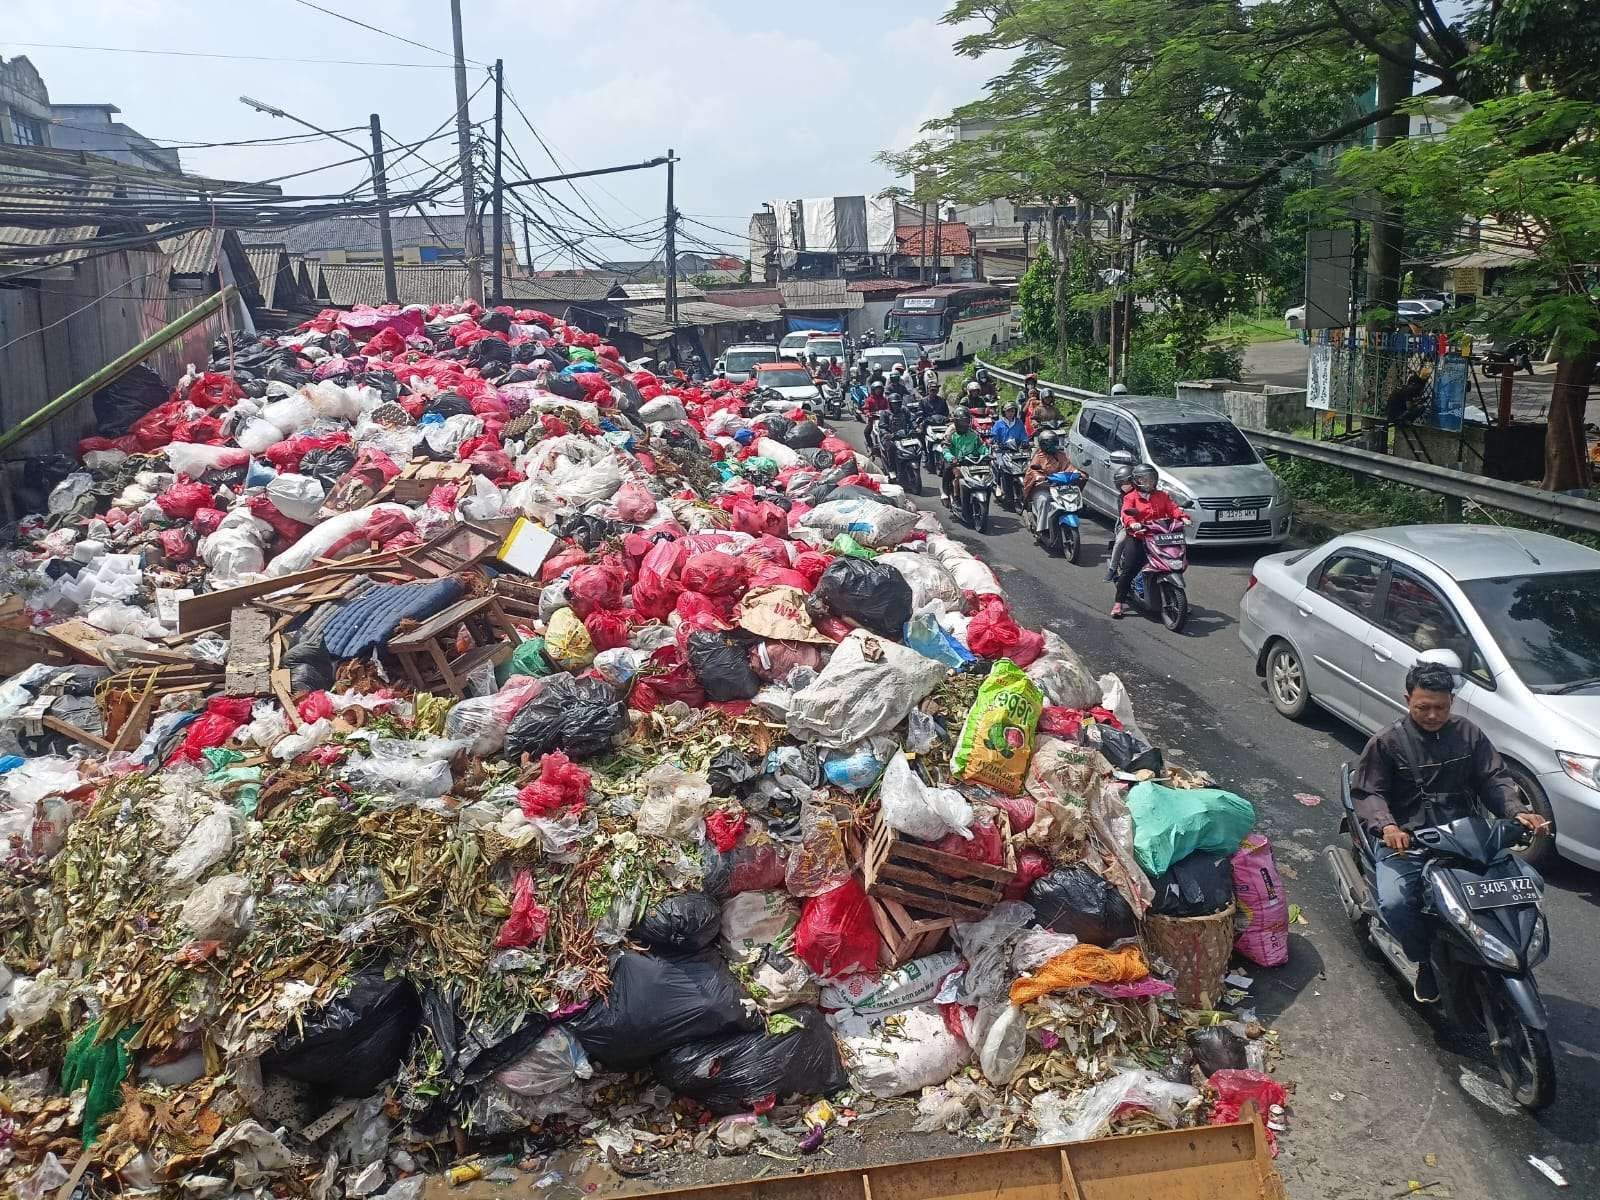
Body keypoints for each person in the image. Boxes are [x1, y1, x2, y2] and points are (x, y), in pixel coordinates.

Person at [1352, 661, 1549, 1003]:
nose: (1432, 715)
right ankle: (1424, 961)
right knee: (1396, 903)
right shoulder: (1386, 742)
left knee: (1531, 882)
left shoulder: (1468, 734)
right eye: (1423, 707)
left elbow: (1493, 778)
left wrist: (1518, 811)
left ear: (1452, 702)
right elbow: (1370, 792)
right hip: (1409, 843)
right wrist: (1388, 826)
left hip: (1468, 839)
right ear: (1407, 700)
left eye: (1440, 707)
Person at [1110, 463, 1185, 618]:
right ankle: (1119, 602)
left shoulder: (1162, 495)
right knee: (1130, 568)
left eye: (1150, 479)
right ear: (1136, 481)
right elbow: (1126, 514)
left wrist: (1182, 516)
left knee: (1173, 562)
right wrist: (1133, 523)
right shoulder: (1130, 497)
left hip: (1159, 537)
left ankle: (1175, 599)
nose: (1148, 482)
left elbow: (1173, 508)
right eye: (1143, 479)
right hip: (1138, 537)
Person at [1021, 426, 1076, 534]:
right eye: (1051, 444)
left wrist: (1076, 472)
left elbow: (1068, 466)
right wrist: (1039, 476)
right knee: (1044, 500)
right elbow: (1032, 470)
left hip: (1059, 486)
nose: (1054, 446)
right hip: (1042, 486)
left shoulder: (1060, 455)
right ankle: (1043, 529)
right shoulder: (1038, 456)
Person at [940, 408, 987, 504]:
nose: (964, 424)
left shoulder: (973, 434)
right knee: (955, 473)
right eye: (962, 422)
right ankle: (954, 497)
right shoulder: (952, 434)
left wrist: (987, 453)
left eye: (966, 421)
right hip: (956, 462)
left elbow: (981, 446)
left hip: (972, 462)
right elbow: (945, 448)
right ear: (956, 422)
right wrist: (951, 458)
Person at [1104, 461, 1139, 582]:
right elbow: (1124, 515)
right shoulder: (1122, 498)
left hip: (1147, 525)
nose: (1124, 485)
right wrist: (1132, 524)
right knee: (1120, 541)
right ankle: (1112, 569)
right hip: (1126, 525)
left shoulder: (1144, 493)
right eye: (1122, 483)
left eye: (1126, 482)